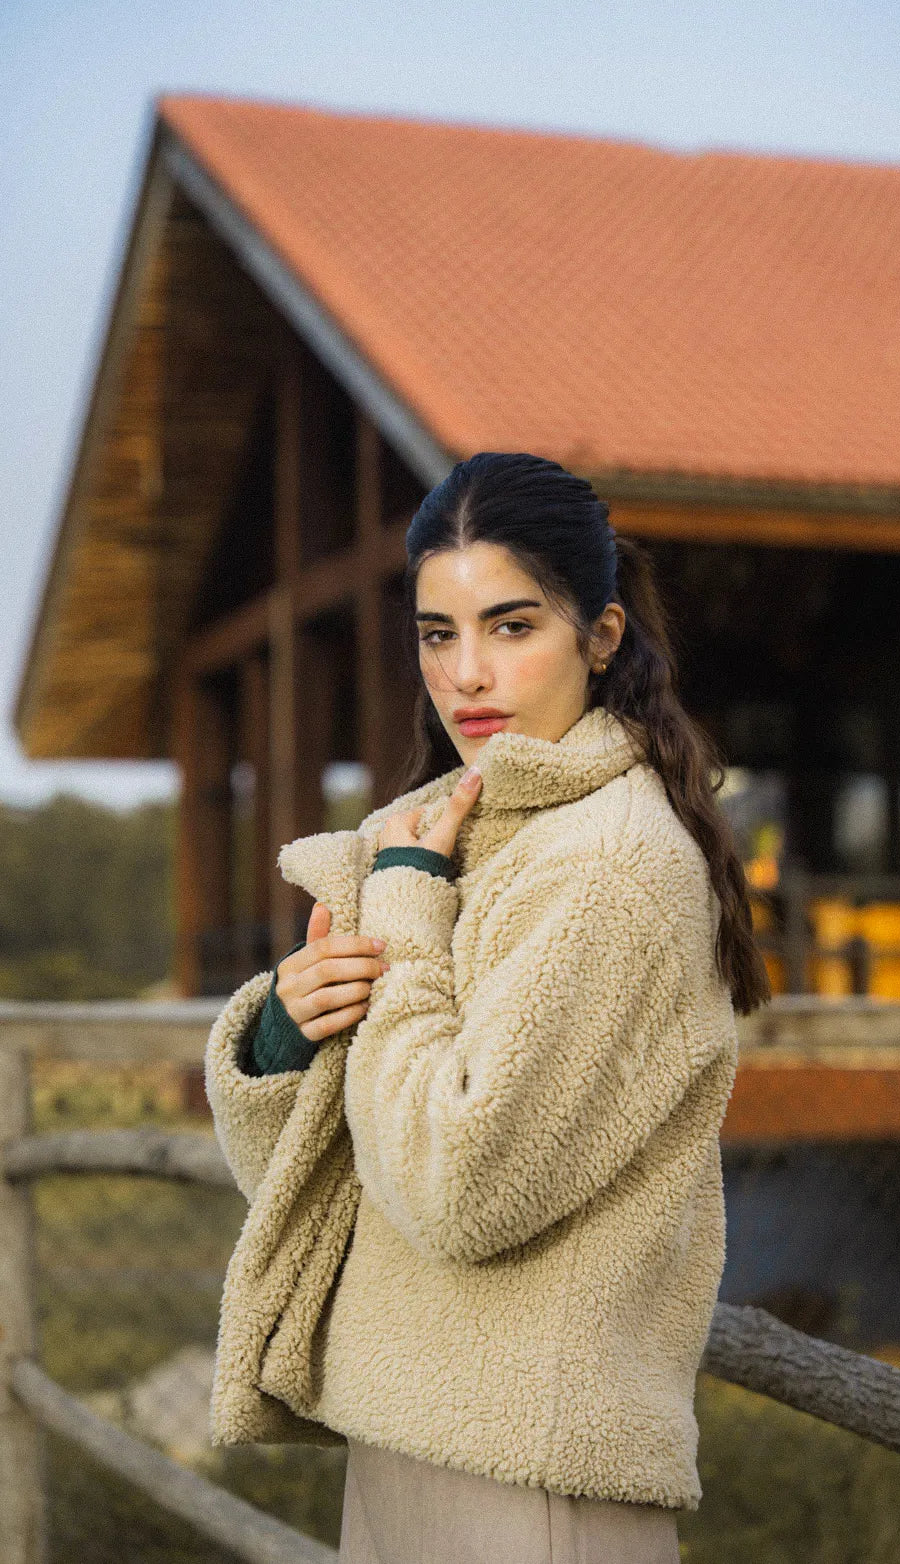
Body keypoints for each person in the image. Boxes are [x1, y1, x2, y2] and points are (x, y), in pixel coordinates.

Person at [204, 451, 772, 1563]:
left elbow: (461, 1186)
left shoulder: (609, 864)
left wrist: (406, 920)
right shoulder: (442, 837)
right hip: (405, 1432)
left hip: (534, 1476)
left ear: (601, 638)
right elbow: (320, 1174)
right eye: (438, 633)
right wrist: (286, 1033)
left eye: (513, 628)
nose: (469, 674)